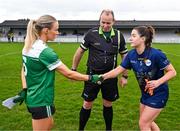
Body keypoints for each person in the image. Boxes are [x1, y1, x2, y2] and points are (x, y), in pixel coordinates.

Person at [13, 15, 100, 131]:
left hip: (33, 98)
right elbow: (69, 74)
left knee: (49, 124)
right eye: (56, 29)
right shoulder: (45, 52)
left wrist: (25, 89)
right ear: (46, 30)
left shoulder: (28, 46)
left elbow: (23, 69)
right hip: (41, 100)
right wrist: (91, 78)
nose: (58, 32)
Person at [100, 26, 176, 131]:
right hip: (145, 94)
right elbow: (118, 70)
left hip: (159, 94)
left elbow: (172, 72)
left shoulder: (156, 54)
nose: (130, 38)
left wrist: (158, 82)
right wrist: (102, 77)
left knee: (143, 124)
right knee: (148, 122)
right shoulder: (131, 55)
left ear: (143, 39)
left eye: (133, 35)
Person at [71, 9, 128, 130]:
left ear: (114, 21)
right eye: (103, 22)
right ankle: (81, 129)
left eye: (108, 23)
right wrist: (73, 70)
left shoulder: (119, 36)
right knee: (87, 104)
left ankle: (108, 129)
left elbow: (125, 56)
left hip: (110, 76)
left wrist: (124, 76)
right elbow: (79, 51)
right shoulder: (91, 33)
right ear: (99, 20)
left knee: (108, 104)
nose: (105, 25)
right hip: (92, 76)